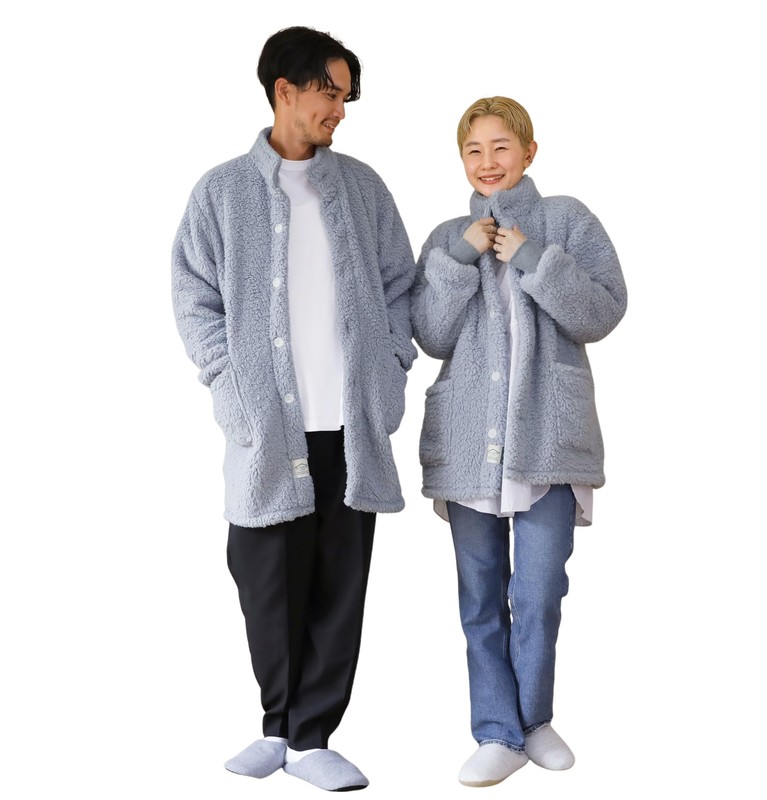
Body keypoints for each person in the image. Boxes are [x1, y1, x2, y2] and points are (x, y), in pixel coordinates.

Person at [171, 26, 416, 792]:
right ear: (286, 89)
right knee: (264, 576)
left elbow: (400, 286)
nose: (340, 108)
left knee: (340, 583)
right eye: (330, 92)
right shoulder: (222, 192)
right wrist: (227, 383)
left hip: (349, 423)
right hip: (267, 426)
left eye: (346, 96)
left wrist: (390, 371)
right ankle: (275, 725)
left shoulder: (364, 189)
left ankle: (312, 738)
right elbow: (193, 296)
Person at [411, 96, 626, 787]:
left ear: (529, 151)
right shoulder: (447, 235)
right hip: (469, 441)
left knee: (538, 591)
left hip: (546, 436)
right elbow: (431, 334)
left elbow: (603, 310)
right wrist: (459, 258)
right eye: (473, 150)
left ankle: (534, 721)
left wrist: (533, 257)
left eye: (501, 147)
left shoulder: (566, 219)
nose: (488, 162)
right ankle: (496, 731)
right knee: (478, 596)